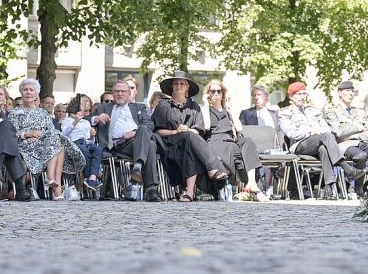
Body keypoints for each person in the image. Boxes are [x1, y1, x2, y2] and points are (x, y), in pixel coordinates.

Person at [152, 71, 229, 203]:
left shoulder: (194, 106)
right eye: (175, 83)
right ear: (171, 86)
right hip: (169, 146)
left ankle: (189, 193)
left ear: (187, 87)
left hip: (189, 145)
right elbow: (157, 131)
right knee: (188, 137)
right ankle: (213, 168)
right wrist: (176, 132)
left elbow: (198, 131)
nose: (178, 85)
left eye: (182, 83)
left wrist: (187, 130)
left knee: (189, 141)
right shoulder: (163, 106)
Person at [279, 82, 364, 190]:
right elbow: (292, 133)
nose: (302, 97)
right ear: (291, 96)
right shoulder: (285, 113)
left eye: (304, 94)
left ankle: (329, 186)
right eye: (298, 94)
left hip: (319, 142)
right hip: (300, 144)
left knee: (323, 148)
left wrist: (318, 132)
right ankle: (347, 168)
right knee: (326, 137)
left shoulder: (313, 111)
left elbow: (326, 129)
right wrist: (311, 131)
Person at [10, 79, 85, 200]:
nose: (28, 92)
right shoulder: (15, 113)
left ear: (36, 94)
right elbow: (12, 133)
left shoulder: (43, 113)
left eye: (31, 90)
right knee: (58, 145)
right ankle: (55, 188)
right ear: (21, 93)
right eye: (25, 90)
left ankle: (51, 180)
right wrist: (29, 134)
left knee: (56, 140)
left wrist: (40, 136)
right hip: (25, 145)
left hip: (44, 144)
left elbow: (50, 130)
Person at [92, 80, 161, 201]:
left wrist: (135, 132)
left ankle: (138, 167)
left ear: (129, 94)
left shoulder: (139, 107)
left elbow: (150, 124)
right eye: (117, 91)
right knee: (150, 144)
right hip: (117, 146)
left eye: (123, 91)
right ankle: (150, 189)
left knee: (147, 136)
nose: (120, 94)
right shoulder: (103, 108)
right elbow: (84, 119)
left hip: (136, 142)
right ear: (113, 93)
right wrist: (95, 118)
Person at [202, 79, 264, 196]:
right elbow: (206, 126)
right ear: (208, 94)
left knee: (248, 141)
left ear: (223, 94)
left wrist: (231, 109)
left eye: (219, 91)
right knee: (234, 150)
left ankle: (252, 182)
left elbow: (239, 128)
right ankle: (243, 182)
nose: (216, 94)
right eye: (212, 91)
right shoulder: (206, 110)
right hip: (215, 140)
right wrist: (206, 105)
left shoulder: (227, 110)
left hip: (231, 139)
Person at [322, 80, 368, 176]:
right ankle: (356, 186)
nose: (351, 94)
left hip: (360, 142)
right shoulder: (332, 111)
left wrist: (355, 136)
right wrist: (359, 127)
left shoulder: (359, 112)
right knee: (361, 156)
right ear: (339, 93)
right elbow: (339, 133)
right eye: (347, 90)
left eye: (352, 91)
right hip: (344, 145)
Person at [62, 94, 102, 192]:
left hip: (86, 142)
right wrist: (75, 121)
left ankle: (92, 178)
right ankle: (89, 177)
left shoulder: (86, 123)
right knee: (84, 151)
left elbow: (87, 138)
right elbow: (65, 133)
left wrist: (92, 136)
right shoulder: (67, 121)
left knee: (97, 149)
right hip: (74, 143)